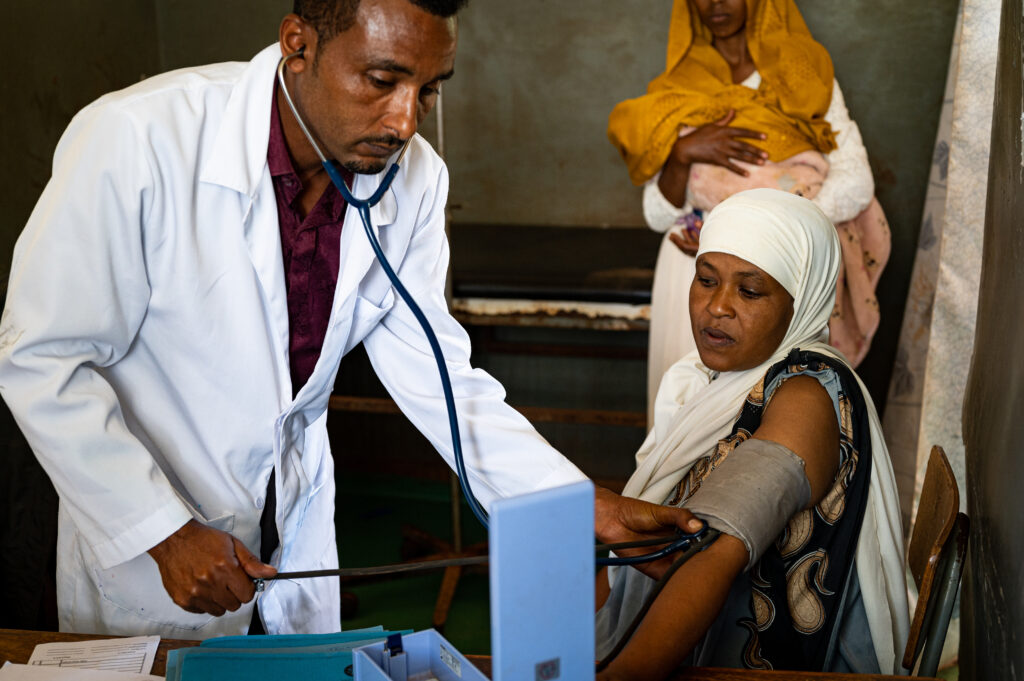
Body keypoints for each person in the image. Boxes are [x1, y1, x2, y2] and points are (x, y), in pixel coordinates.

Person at [0, 0, 693, 639]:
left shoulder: (413, 177)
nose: (405, 122)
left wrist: (572, 502)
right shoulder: (138, 140)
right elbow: (41, 358)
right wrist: (163, 531)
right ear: (298, 44)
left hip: (290, 538)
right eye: (382, 80)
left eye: (428, 89)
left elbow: (440, 377)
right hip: (153, 549)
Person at [593, 189, 908, 679]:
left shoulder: (805, 394)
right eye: (705, 280)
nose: (717, 307)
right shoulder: (715, 383)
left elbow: (716, 550)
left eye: (750, 290)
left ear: (801, 300)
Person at [607, 0, 890, 422]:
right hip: (692, 271)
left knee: (768, 419)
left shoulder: (803, 75)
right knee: (686, 412)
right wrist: (683, 154)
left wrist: (750, 235)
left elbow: (856, 184)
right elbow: (659, 214)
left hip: (770, 275)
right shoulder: (675, 88)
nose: (715, 3)